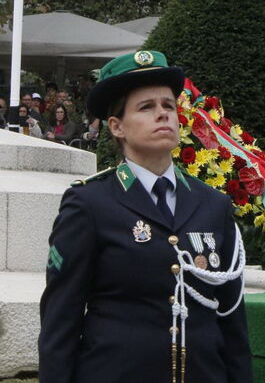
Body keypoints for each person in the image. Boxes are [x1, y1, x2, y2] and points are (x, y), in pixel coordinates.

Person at [39, 49, 251, 382]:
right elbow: (60, 321)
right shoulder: (90, 203)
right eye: (146, 107)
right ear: (117, 127)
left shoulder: (212, 204)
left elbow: (232, 321)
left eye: (168, 106)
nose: (163, 115)